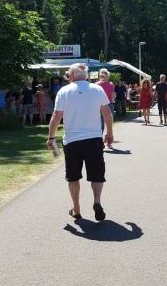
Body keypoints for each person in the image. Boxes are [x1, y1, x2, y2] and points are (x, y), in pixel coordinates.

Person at [47, 63, 113, 221]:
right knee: (97, 174)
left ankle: (76, 209)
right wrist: (109, 132)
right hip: (94, 139)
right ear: (87, 76)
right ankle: (97, 202)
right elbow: (107, 113)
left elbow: (56, 116)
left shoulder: (64, 91)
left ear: (71, 75)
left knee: (73, 177)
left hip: (72, 141)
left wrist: (51, 137)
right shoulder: (98, 90)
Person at [96, 68, 115, 148]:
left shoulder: (96, 84)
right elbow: (113, 96)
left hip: (101, 105)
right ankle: (108, 143)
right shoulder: (110, 84)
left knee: (101, 125)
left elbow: (112, 95)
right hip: (107, 104)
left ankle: (104, 143)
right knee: (108, 125)